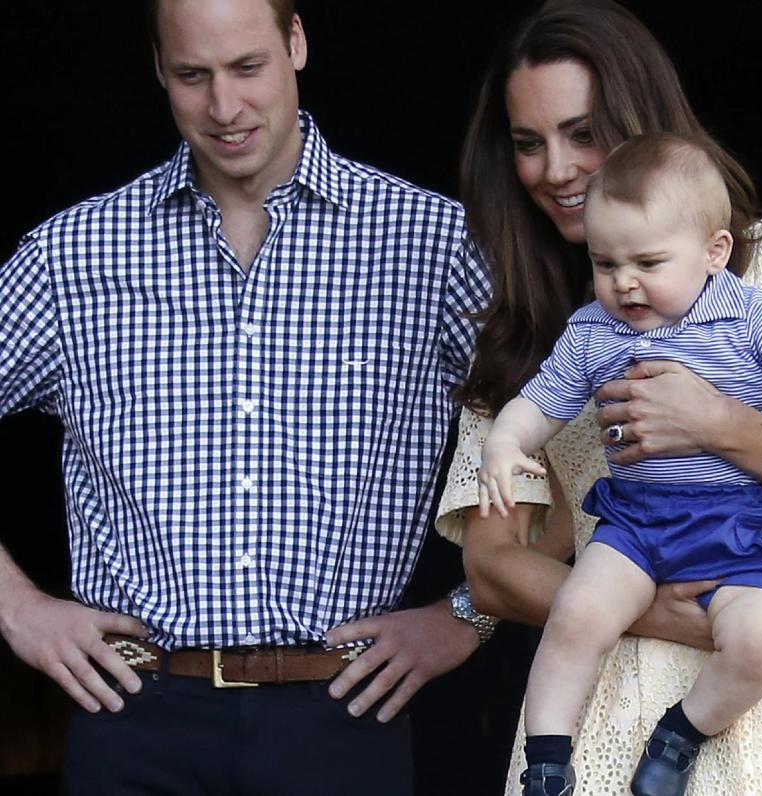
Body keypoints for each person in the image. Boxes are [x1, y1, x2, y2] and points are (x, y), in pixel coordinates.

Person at [0, 1, 490, 793]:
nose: (224, 108)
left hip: (343, 718)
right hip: (134, 717)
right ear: (159, 69)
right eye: (193, 75)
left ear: (296, 43)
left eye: (247, 68)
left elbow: (573, 446)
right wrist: (17, 609)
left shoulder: (431, 246)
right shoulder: (71, 258)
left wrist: (468, 614)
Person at [436, 0, 762, 794]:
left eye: (582, 132)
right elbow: (494, 568)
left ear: (642, 120)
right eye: (529, 143)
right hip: (600, 666)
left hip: (753, 672)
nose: (555, 168)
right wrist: (656, 611)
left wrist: (720, 422)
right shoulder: (531, 323)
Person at [479, 132, 762, 796]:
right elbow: (537, 404)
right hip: (639, 526)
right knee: (578, 611)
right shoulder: (594, 330)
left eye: (648, 262)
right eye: (604, 263)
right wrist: (505, 444)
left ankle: (683, 732)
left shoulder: (741, 311)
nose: (625, 282)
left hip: (742, 529)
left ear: (714, 253)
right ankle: (546, 758)